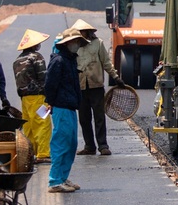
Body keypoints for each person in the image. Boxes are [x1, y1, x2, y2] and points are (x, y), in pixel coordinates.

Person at [70, 18, 123, 156]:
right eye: (78, 32)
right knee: (84, 118)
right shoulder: (74, 47)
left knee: (99, 117)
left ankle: (103, 145)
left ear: (87, 32)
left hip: (96, 86)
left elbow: (106, 63)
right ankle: (89, 146)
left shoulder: (98, 44)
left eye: (82, 32)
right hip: (80, 87)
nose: (80, 34)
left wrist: (116, 77)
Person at [44, 28, 87, 193]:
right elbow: (50, 85)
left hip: (70, 106)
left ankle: (62, 177)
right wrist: (51, 102)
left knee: (71, 144)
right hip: (61, 107)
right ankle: (55, 180)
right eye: (76, 42)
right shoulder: (59, 61)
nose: (77, 45)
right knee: (61, 143)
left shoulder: (70, 60)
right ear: (68, 43)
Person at [13, 28, 52, 163]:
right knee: (42, 124)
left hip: (24, 99)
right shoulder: (37, 57)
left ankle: (31, 154)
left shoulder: (17, 60)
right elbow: (44, 77)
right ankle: (43, 154)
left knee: (28, 126)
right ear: (34, 45)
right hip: (38, 97)